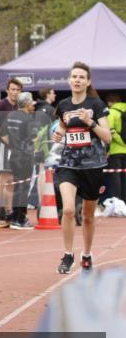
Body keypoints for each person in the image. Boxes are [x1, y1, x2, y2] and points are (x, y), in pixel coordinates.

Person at [53, 62, 111, 274]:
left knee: (87, 216)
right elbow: (60, 131)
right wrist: (57, 136)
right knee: (68, 210)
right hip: (69, 164)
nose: (77, 80)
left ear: (87, 82)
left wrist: (91, 123)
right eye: (74, 76)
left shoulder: (96, 104)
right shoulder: (63, 105)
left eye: (81, 77)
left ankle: (86, 253)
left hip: (93, 166)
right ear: (69, 80)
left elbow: (107, 137)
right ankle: (68, 254)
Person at [0, 77, 23, 228]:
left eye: (18, 90)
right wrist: (1, 135)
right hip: (3, 146)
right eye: (13, 89)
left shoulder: (18, 106)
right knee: (2, 179)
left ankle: (9, 212)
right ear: (8, 90)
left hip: (15, 147)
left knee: (11, 181)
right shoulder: (2, 104)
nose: (15, 92)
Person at [3, 92, 37, 229]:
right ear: (28, 103)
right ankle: (20, 219)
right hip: (25, 156)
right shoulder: (28, 119)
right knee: (23, 187)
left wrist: (12, 146)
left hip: (13, 155)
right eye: (31, 102)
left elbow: (3, 135)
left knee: (17, 186)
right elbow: (34, 138)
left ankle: (15, 217)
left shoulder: (10, 116)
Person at [105, 92, 126, 204]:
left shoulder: (111, 112)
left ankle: (117, 203)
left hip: (116, 150)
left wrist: (122, 142)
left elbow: (110, 130)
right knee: (124, 176)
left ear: (110, 102)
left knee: (115, 177)